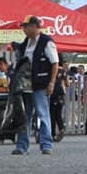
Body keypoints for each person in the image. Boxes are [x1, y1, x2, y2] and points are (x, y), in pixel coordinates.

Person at [12, 15, 59, 155]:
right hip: (26, 85)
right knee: (24, 115)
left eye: (25, 27)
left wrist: (51, 83)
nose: (24, 30)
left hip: (41, 84)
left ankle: (46, 144)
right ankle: (22, 145)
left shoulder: (47, 42)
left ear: (34, 26)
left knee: (43, 114)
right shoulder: (26, 42)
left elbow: (55, 63)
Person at [49, 58, 68, 142]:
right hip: (61, 94)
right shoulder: (63, 71)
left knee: (52, 115)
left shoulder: (51, 69)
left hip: (53, 93)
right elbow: (67, 84)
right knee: (58, 114)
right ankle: (61, 128)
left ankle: (52, 134)